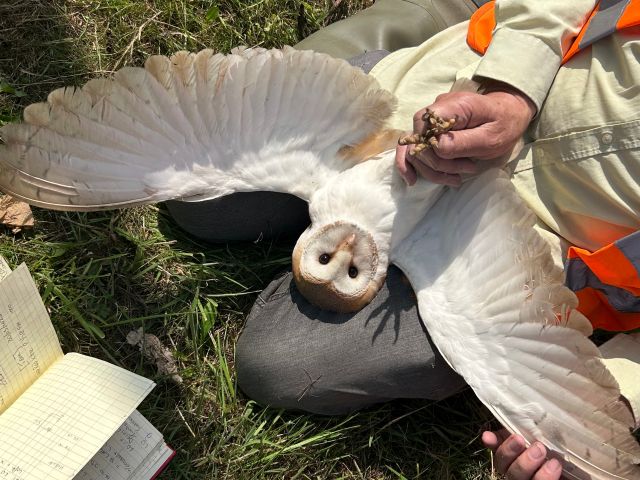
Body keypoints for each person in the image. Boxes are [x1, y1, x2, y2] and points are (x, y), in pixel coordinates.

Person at [167, 1, 640, 479]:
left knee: (276, 365)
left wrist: (587, 412)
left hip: (503, 254)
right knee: (194, 200)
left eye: (332, 257)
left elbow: (574, 411)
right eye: (348, 266)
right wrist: (511, 86)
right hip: (436, 95)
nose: (348, 251)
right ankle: (428, 17)